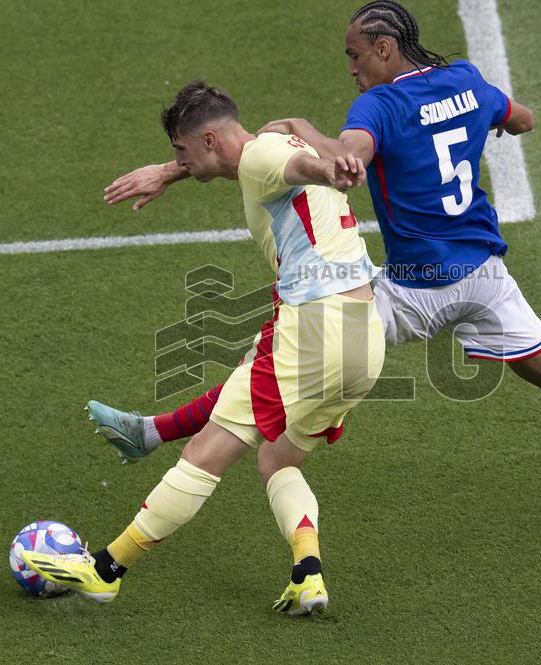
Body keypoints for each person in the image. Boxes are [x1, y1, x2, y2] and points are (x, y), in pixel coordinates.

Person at [97, 1, 541, 500]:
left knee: (274, 361)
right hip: (485, 280)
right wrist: (483, 119)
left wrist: (303, 130)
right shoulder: (467, 82)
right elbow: (522, 118)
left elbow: (341, 161)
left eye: (355, 55)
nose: (351, 69)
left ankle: (151, 432)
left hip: (409, 291)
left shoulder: (377, 109)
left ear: (385, 47)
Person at [23, 81, 386, 616]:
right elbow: (284, 151)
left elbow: (294, 169)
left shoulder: (266, 154)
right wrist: (175, 171)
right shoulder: (275, 142)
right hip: (364, 337)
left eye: (180, 150)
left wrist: (326, 170)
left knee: (207, 453)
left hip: (315, 327)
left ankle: (105, 570)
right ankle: (308, 574)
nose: (179, 160)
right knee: (276, 458)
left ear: (210, 139)